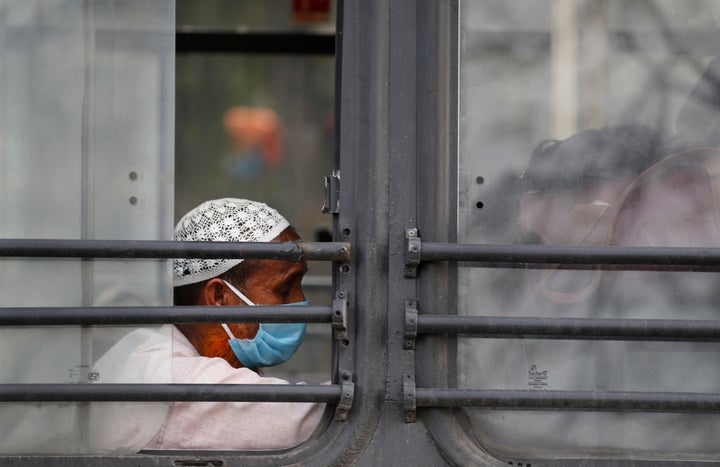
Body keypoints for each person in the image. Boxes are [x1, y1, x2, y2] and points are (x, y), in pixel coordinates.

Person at [90, 198, 325, 452]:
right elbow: (306, 419)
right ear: (219, 297)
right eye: (285, 288)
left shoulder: (156, 347)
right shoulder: (171, 377)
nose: (301, 302)